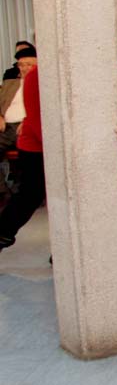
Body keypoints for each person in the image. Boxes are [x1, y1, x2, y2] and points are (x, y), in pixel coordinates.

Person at [0, 64, 43, 253]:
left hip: (51, 145)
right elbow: (35, 118)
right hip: (35, 147)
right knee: (29, 197)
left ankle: (64, 249)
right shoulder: (36, 75)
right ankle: (2, 234)